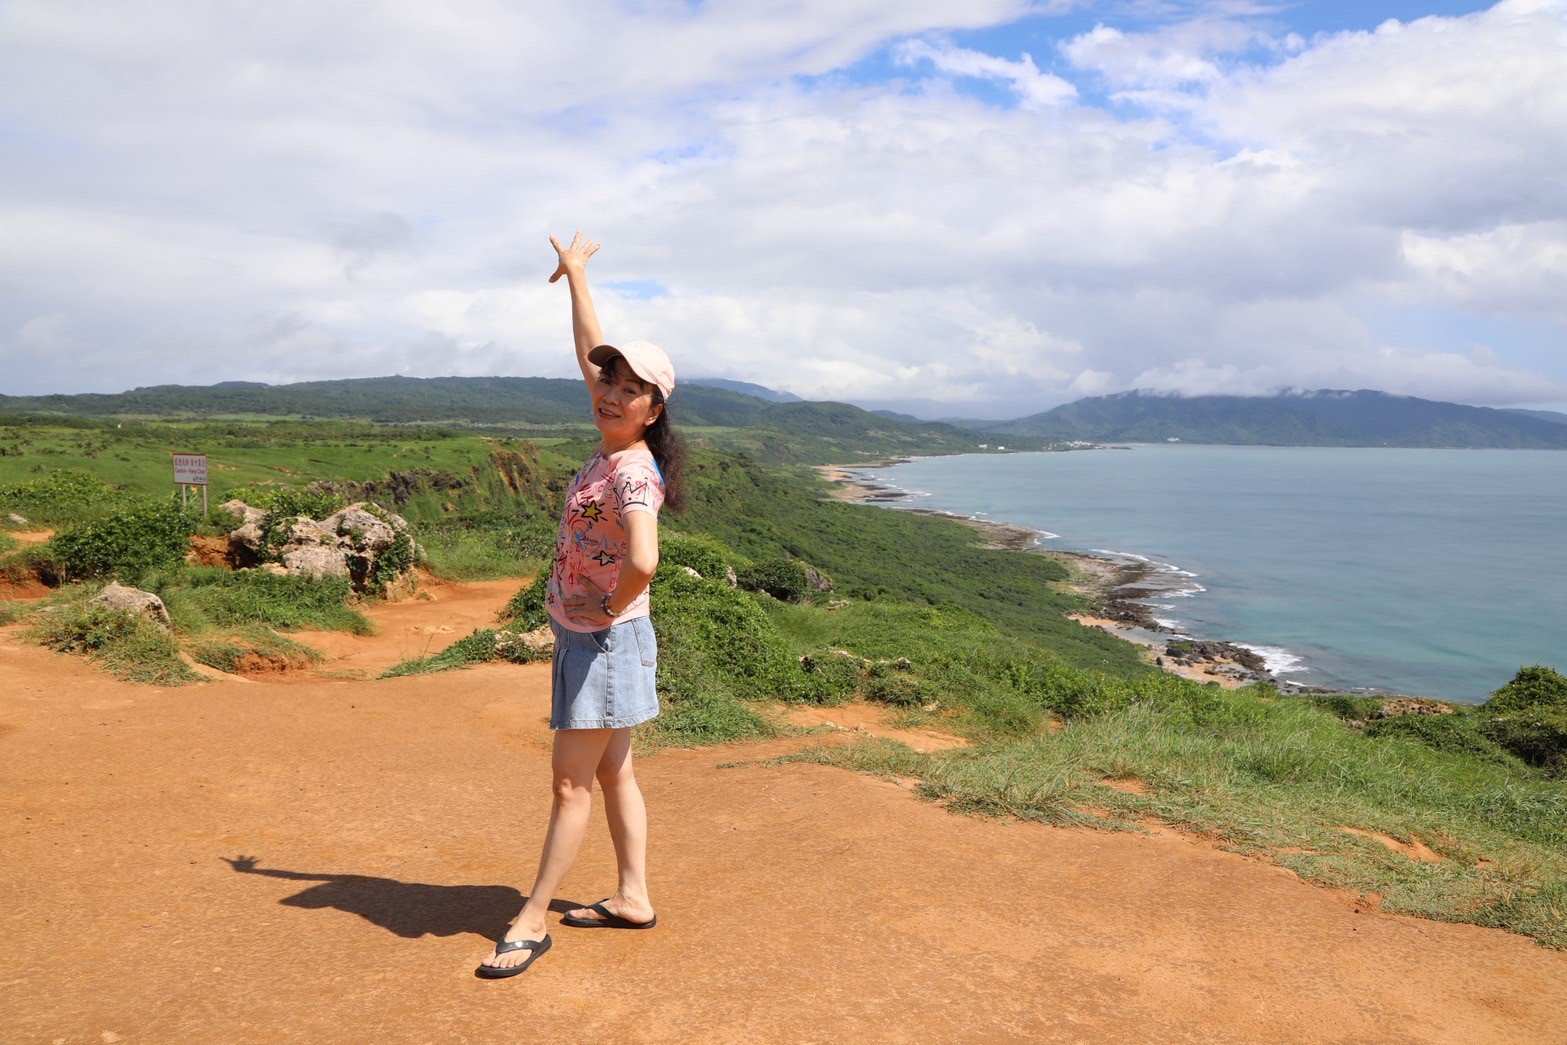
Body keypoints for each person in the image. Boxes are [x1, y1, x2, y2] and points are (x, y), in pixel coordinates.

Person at [477, 230, 686, 979]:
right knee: (614, 774)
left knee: (570, 785)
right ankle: (633, 896)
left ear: (652, 409)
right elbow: (588, 352)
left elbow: (644, 559)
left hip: (600, 643)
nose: (610, 392)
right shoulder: (611, 443)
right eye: (609, 381)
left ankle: (531, 919)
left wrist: (608, 610)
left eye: (629, 389)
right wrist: (576, 278)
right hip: (597, 637)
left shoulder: (630, 473)